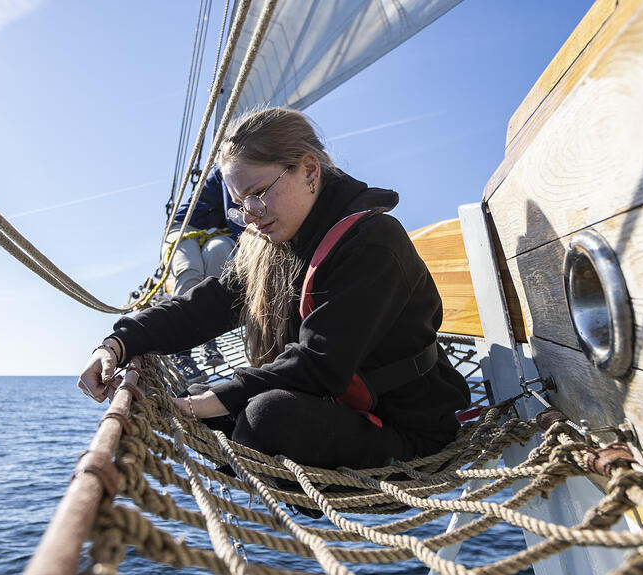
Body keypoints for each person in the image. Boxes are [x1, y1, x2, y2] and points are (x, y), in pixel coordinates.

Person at [79, 107, 470, 473]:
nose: (249, 216)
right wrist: (116, 343)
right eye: (238, 205)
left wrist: (206, 405)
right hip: (339, 411)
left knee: (262, 417)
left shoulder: (372, 243)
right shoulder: (276, 245)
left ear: (308, 170)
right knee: (205, 397)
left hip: (410, 434)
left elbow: (319, 366)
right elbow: (204, 306)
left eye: (258, 194)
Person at [163, 167, 244, 383]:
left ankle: (208, 336)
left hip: (218, 234)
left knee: (219, 259)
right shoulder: (230, 168)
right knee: (190, 271)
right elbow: (235, 214)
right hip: (183, 227)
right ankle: (180, 353)